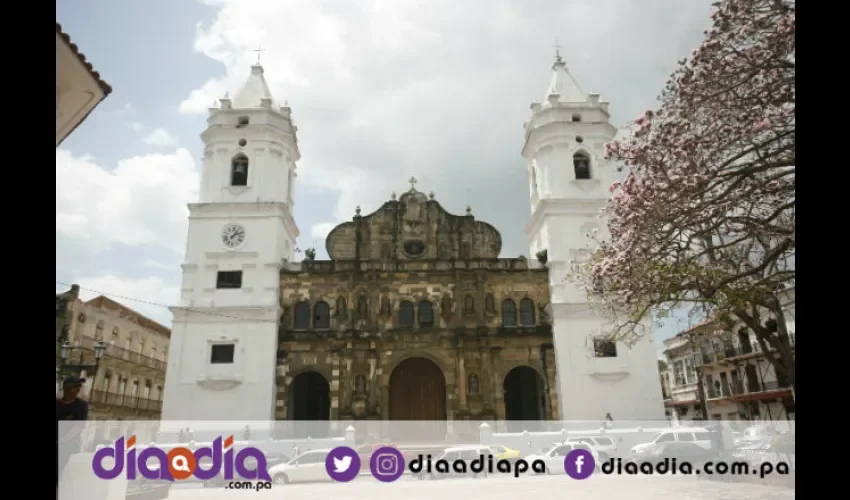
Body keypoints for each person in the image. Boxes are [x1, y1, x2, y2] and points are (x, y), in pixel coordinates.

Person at [57, 376, 89, 486]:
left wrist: (61, 440)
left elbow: (78, 427)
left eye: (78, 387)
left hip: (67, 444)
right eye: (75, 387)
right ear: (65, 388)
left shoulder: (81, 405)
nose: (78, 390)